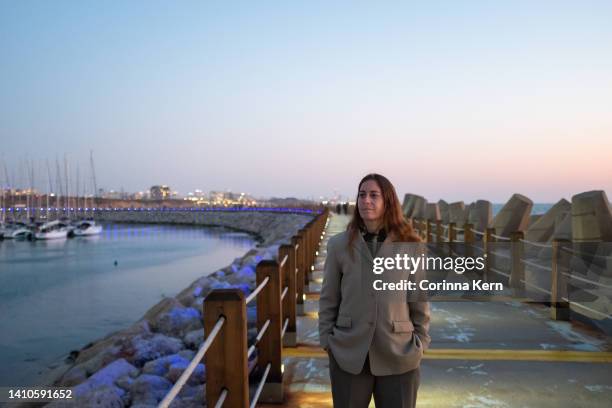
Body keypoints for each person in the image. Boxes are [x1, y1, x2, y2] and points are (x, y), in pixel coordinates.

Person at [319, 173, 431, 408]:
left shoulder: (411, 246)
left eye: (373, 195)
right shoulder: (339, 245)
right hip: (349, 353)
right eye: (361, 195)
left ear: (388, 201)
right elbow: (329, 298)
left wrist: (421, 342)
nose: (365, 200)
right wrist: (328, 341)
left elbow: (418, 299)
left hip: (399, 353)